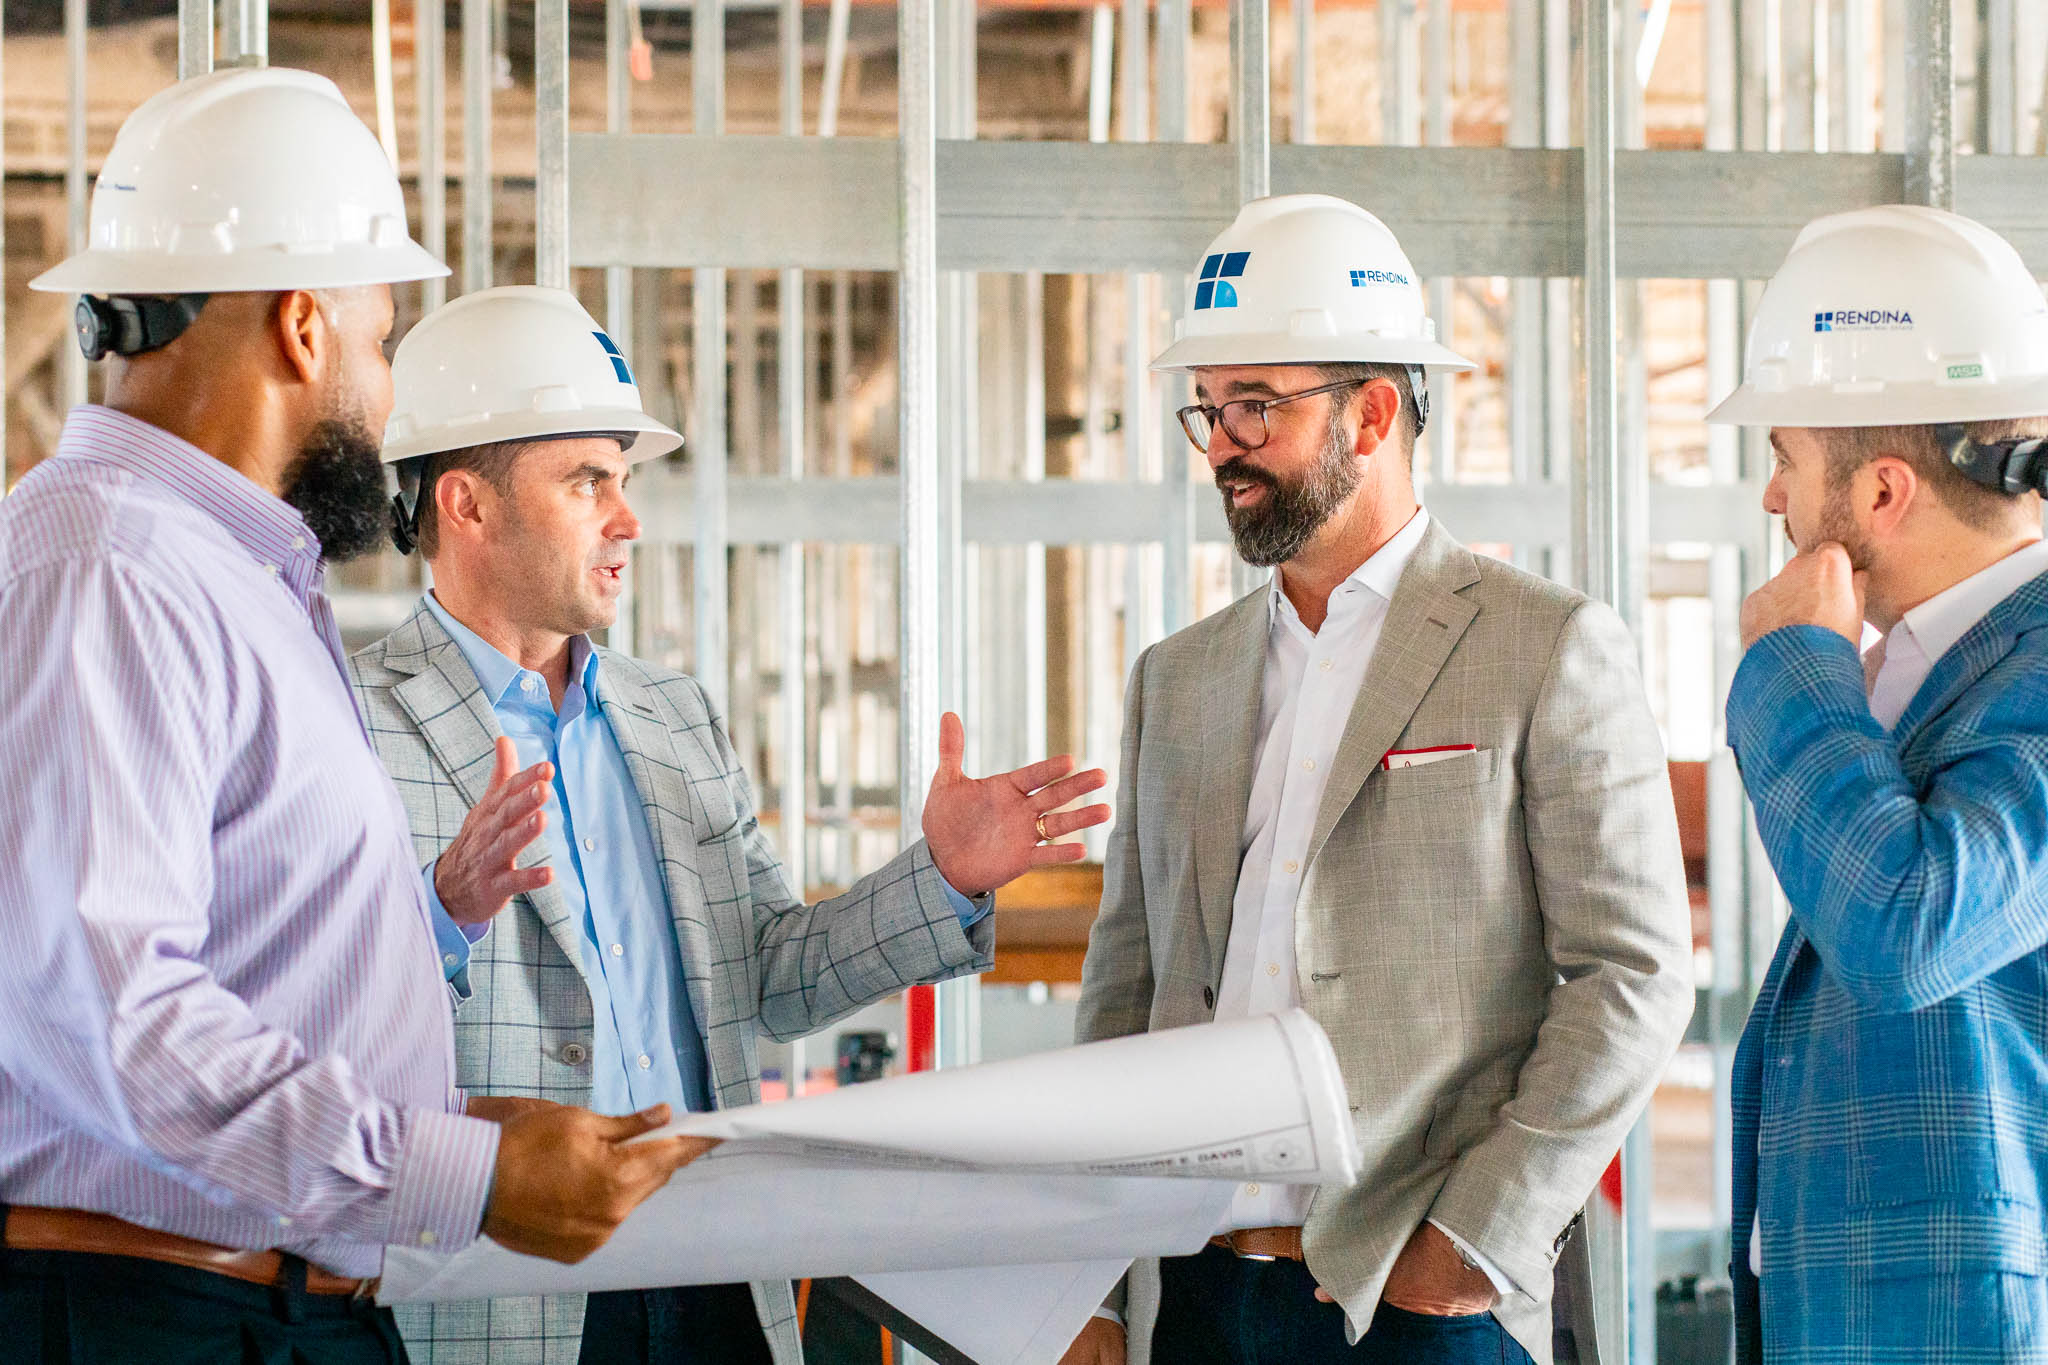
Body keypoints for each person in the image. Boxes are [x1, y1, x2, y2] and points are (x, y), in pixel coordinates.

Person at [0, 71, 713, 1365]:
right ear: (304, 329)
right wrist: (457, 1170)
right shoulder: (109, 563)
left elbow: (238, 964)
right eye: (383, 343)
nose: (385, 400)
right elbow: (117, 1018)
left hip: (263, 1305)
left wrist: (450, 1122)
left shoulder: (230, 574)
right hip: (162, 1318)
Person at [351, 284, 1112, 1364]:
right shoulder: (349, 724)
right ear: (466, 506)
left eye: (625, 481)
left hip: (713, 1276)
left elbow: (769, 980)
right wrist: (441, 914)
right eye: (585, 483)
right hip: (504, 1297)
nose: (628, 519)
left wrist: (938, 877)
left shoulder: (671, 721)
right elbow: (309, 1037)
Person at [1061, 193, 1695, 1365]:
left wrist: (1475, 1236)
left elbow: (1633, 974)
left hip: (1413, 1297)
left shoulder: (1541, 645)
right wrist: (1087, 1287)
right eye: (1208, 410)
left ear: (1372, 409)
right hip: (1198, 1300)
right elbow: (1125, 994)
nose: (1224, 445)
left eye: (1257, 405)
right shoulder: (1176, 679)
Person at [1707, 203, 2048, 1363]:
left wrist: (1790, 670)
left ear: (1883, 491)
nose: (1771, 501)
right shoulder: (1916, 669)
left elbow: (1901, 925)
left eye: (1783, 460)